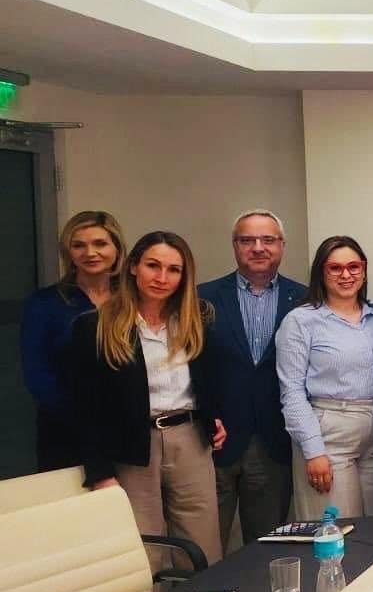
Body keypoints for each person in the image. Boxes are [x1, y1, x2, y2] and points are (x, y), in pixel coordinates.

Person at [70, 231, 227, 570]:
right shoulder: (96, 326)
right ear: (132, 267)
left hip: (189, 438)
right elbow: (85, 408)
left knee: (202, 544)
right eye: (153, 266)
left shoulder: (195, 320)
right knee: (144, 548)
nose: (162, 277)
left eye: (173, 270)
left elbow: (206, 379)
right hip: (132, 444)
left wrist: (213, 416)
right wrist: (99, 472)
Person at [197, 210, 306, 548]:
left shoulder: (305, 299)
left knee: (265, 547)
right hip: (213, 439)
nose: (258, 247)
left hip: (273, 440)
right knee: (203, 546)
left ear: (282, 245)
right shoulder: (201, 298)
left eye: (268, 239)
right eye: (247, 240)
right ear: (235, 246)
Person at [276, 236, 373, 521]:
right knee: (337, 529)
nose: (346, 275)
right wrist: (313, 450)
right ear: (321, 273)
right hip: (329, 434)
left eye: (354, 266)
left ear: (364, 270)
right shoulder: (301, 321)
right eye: (335, 268)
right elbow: (291, 391)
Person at [22, 210, 124, 471]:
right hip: (65, 431)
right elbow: (38, 374)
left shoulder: (132, 299)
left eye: (100, 243)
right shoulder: (45, 303)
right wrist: (86, 421)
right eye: (78, 245)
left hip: (129, 428)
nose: (90, 253)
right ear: (68, 252)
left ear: (116, 247)